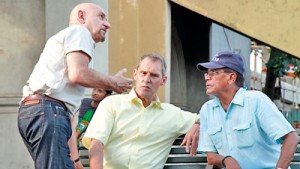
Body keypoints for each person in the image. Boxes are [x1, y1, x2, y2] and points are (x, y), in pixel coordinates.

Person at [17, 3, 133, 169]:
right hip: (47, 111)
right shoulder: (80, 32)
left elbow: (70, 115)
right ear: (81, 17)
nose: (108, 24)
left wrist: (76, 161)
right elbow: (78, 73)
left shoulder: (74, 43)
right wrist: (113, 83)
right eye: (101, 17)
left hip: (44, 112)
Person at [82, 53, 200, 169]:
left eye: (154, 75)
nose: (147, 79)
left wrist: (198, 123)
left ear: (163, 81)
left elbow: (206, 119)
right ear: (135, 74)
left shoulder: (172, 114)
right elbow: (96, 143)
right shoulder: (112, 104)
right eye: (143, 73)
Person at [197, 51, 298, 169]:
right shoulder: (207, 110)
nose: (207, 78)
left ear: (231, 77)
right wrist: (226, 160)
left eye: (214, 73)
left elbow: (292, 138)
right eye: (207, 74)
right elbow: (211, 156)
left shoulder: (256, 101)